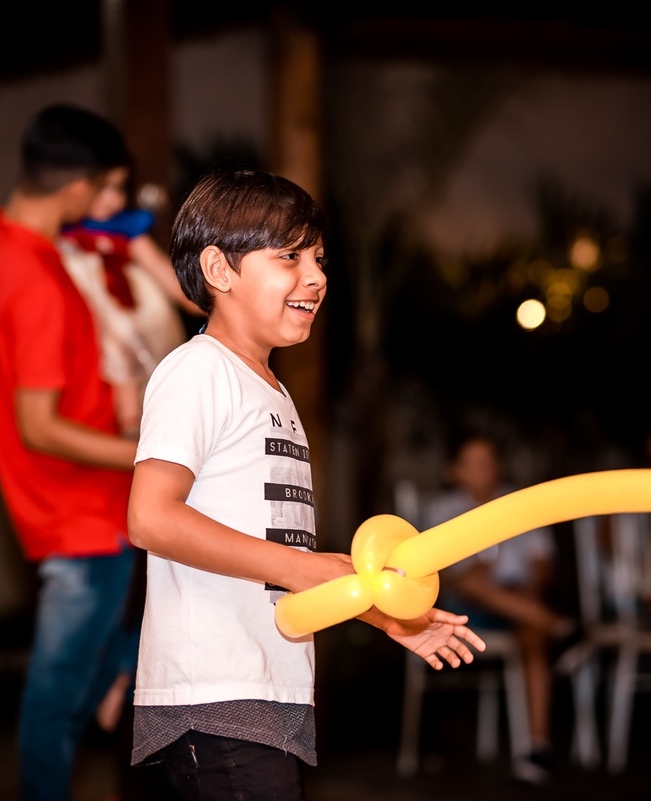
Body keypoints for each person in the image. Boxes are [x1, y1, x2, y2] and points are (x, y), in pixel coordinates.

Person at [126, 168, 486, 800]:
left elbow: (291, 564)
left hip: (266, 682)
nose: (316, 277)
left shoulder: (273, 391)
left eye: (318, 258)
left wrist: (387, 617)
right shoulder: (198, 372)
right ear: (219, 269)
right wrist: (300, 567)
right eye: (289, 257)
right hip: (213, 687)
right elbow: (151, 518)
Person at [0, 102, 142, 801]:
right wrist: (147, 452)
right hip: (83, 518)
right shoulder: (35, 278)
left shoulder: (0, 252)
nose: (111, 204)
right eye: (108, 188)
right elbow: (37, 424)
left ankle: (114, 678)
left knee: (162, 623)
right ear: (78, 188)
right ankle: (111, 681)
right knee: (50, 711)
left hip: (83, 514)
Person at [421, 433, 573, 784]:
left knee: (532, 636)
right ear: (454, 471)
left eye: (487, 461)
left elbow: (542, 564)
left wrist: (527, 591)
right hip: (462, 610)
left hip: (519, 601)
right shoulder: (441, 510)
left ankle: (536, 748)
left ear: (498, 466)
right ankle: (562, 629)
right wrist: (470, 578)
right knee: (474, 583)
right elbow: (434, 577)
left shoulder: (519, 503)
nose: (481, 470)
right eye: (472, 463)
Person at [58, 175, 204, 438]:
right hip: (90, 323)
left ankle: (134, 425)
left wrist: (205, 302)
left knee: (130, 349)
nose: (112, 199)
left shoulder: (127, 232)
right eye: (102, 188)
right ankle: (129, 425)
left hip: (129, 312)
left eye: (119, 189)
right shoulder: (62, 238)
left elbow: (168, 278)